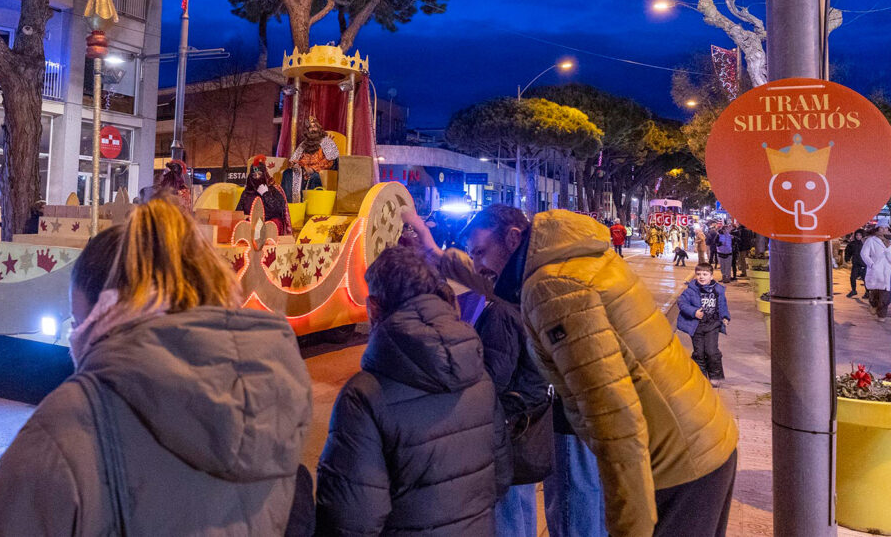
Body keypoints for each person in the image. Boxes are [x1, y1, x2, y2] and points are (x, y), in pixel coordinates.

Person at [0, 200, 313, 535]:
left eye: (79, 319)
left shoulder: (74, 419)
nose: (75, 335)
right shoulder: (276, 401)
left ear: (109, 310)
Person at [405, 205, 739, 537]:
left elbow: (612, 415)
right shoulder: (565, 260)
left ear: (512, 238)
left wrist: (629, 527)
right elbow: (500, 284)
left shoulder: (553, 289)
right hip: (701, 440)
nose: (478, 264)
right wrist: (436, 256)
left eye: (481, 252)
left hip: (676, 466)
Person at [315, 246, 510, 536]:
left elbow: (351, 519)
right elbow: (501, 476)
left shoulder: (364, 396)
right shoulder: (479, 375)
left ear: (373, 308)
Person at [461, 288, 549, 537]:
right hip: (528, 417)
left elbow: (494, 376)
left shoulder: (501, 311)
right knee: (523, 501)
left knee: (506, 507)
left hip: (508, 424)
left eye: (481, 253)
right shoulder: (529, 299)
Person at [677, 264, 731, 385]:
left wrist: (725, 316)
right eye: (699, 274)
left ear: (711, 276)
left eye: (705, 274)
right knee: (699, 353)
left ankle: (715, 377)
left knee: (711, 351)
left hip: (713, 325)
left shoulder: (718, 290)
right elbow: (681, 303)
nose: (701, 277)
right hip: (696, 327)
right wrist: (694, 312)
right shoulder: (690, 290)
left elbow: (722, 304)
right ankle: (700, 379)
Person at [282, 116, 339, 203]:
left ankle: (310, 206)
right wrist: (296, 164)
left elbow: (331, 161)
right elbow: (297, 159)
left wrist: (313, 169)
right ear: (307, 130)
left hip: (318, 171)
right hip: (303, 170)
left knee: (314, 177)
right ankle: (289, 205)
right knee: (287, 173)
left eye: (315, 126)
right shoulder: (304, 144)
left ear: (319, 128)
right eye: (310, 127)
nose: (313, 129)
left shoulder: (327, 141)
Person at [237, 155, 292, 235]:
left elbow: (279, 209)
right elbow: (239, 212)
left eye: (259, 174)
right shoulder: (247, 193)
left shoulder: (273, 190)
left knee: (275, 223)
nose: (257, 177)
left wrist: (266, 194)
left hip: (269, 224)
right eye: (254, 175)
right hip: (251, 225)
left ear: (265, 175)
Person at [861, 227, 891, 322]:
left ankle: (882, 315)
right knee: (875, 293)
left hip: (887, 272)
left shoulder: (890, 243)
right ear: (877, 230)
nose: (884, 231)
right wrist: (872, 265)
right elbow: (864, 254)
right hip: (876, 271)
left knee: (886, 295)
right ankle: (873, 304)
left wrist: (888, 249)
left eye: (886, 229)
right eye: (881, 228)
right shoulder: (871, 240)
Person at [845, 229, 867, 298]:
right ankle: (854, 290)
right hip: (856, 264)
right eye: (857, 235)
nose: (858, 236)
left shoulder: (865, 244)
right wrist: (847, 258)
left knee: (865, 279)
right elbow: (848, 252)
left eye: (860, 235)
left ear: (862, 236)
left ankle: (867, 292)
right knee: (852, 278)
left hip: (864, 264)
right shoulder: (852, 244)